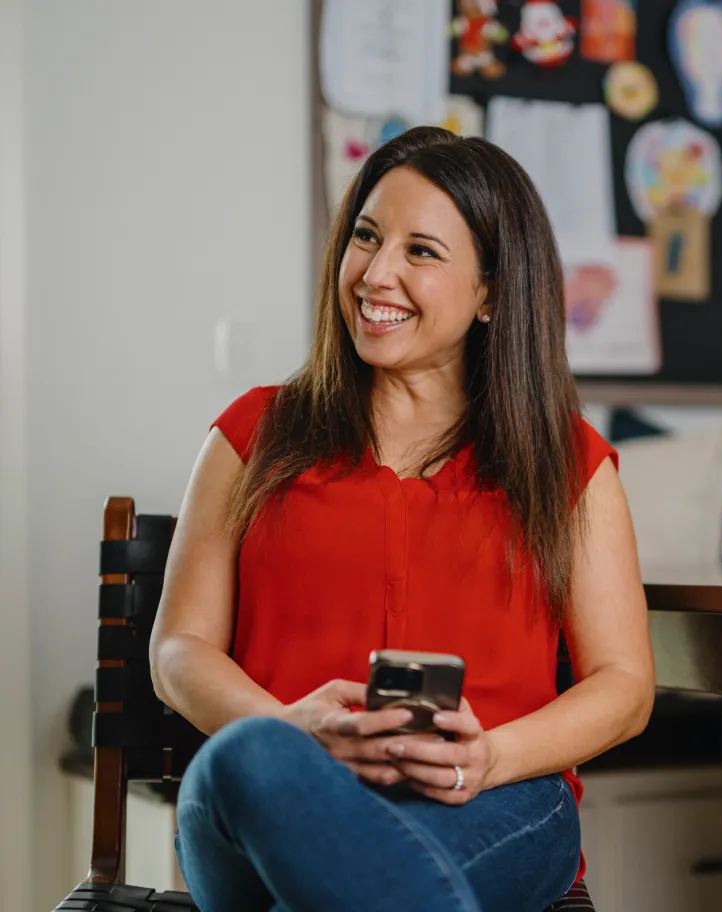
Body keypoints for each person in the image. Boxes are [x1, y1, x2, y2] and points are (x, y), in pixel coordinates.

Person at [148, 126, 655, 912]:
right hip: (276, 792)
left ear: (491, 292)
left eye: (421, 251)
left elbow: (624, 685)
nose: (376, 273)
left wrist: (490, 756)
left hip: (493, 797)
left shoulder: (567, 462)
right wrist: (293, 729)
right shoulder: (253, 434)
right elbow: (178, 649)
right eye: (366, 237)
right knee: (245, 760)